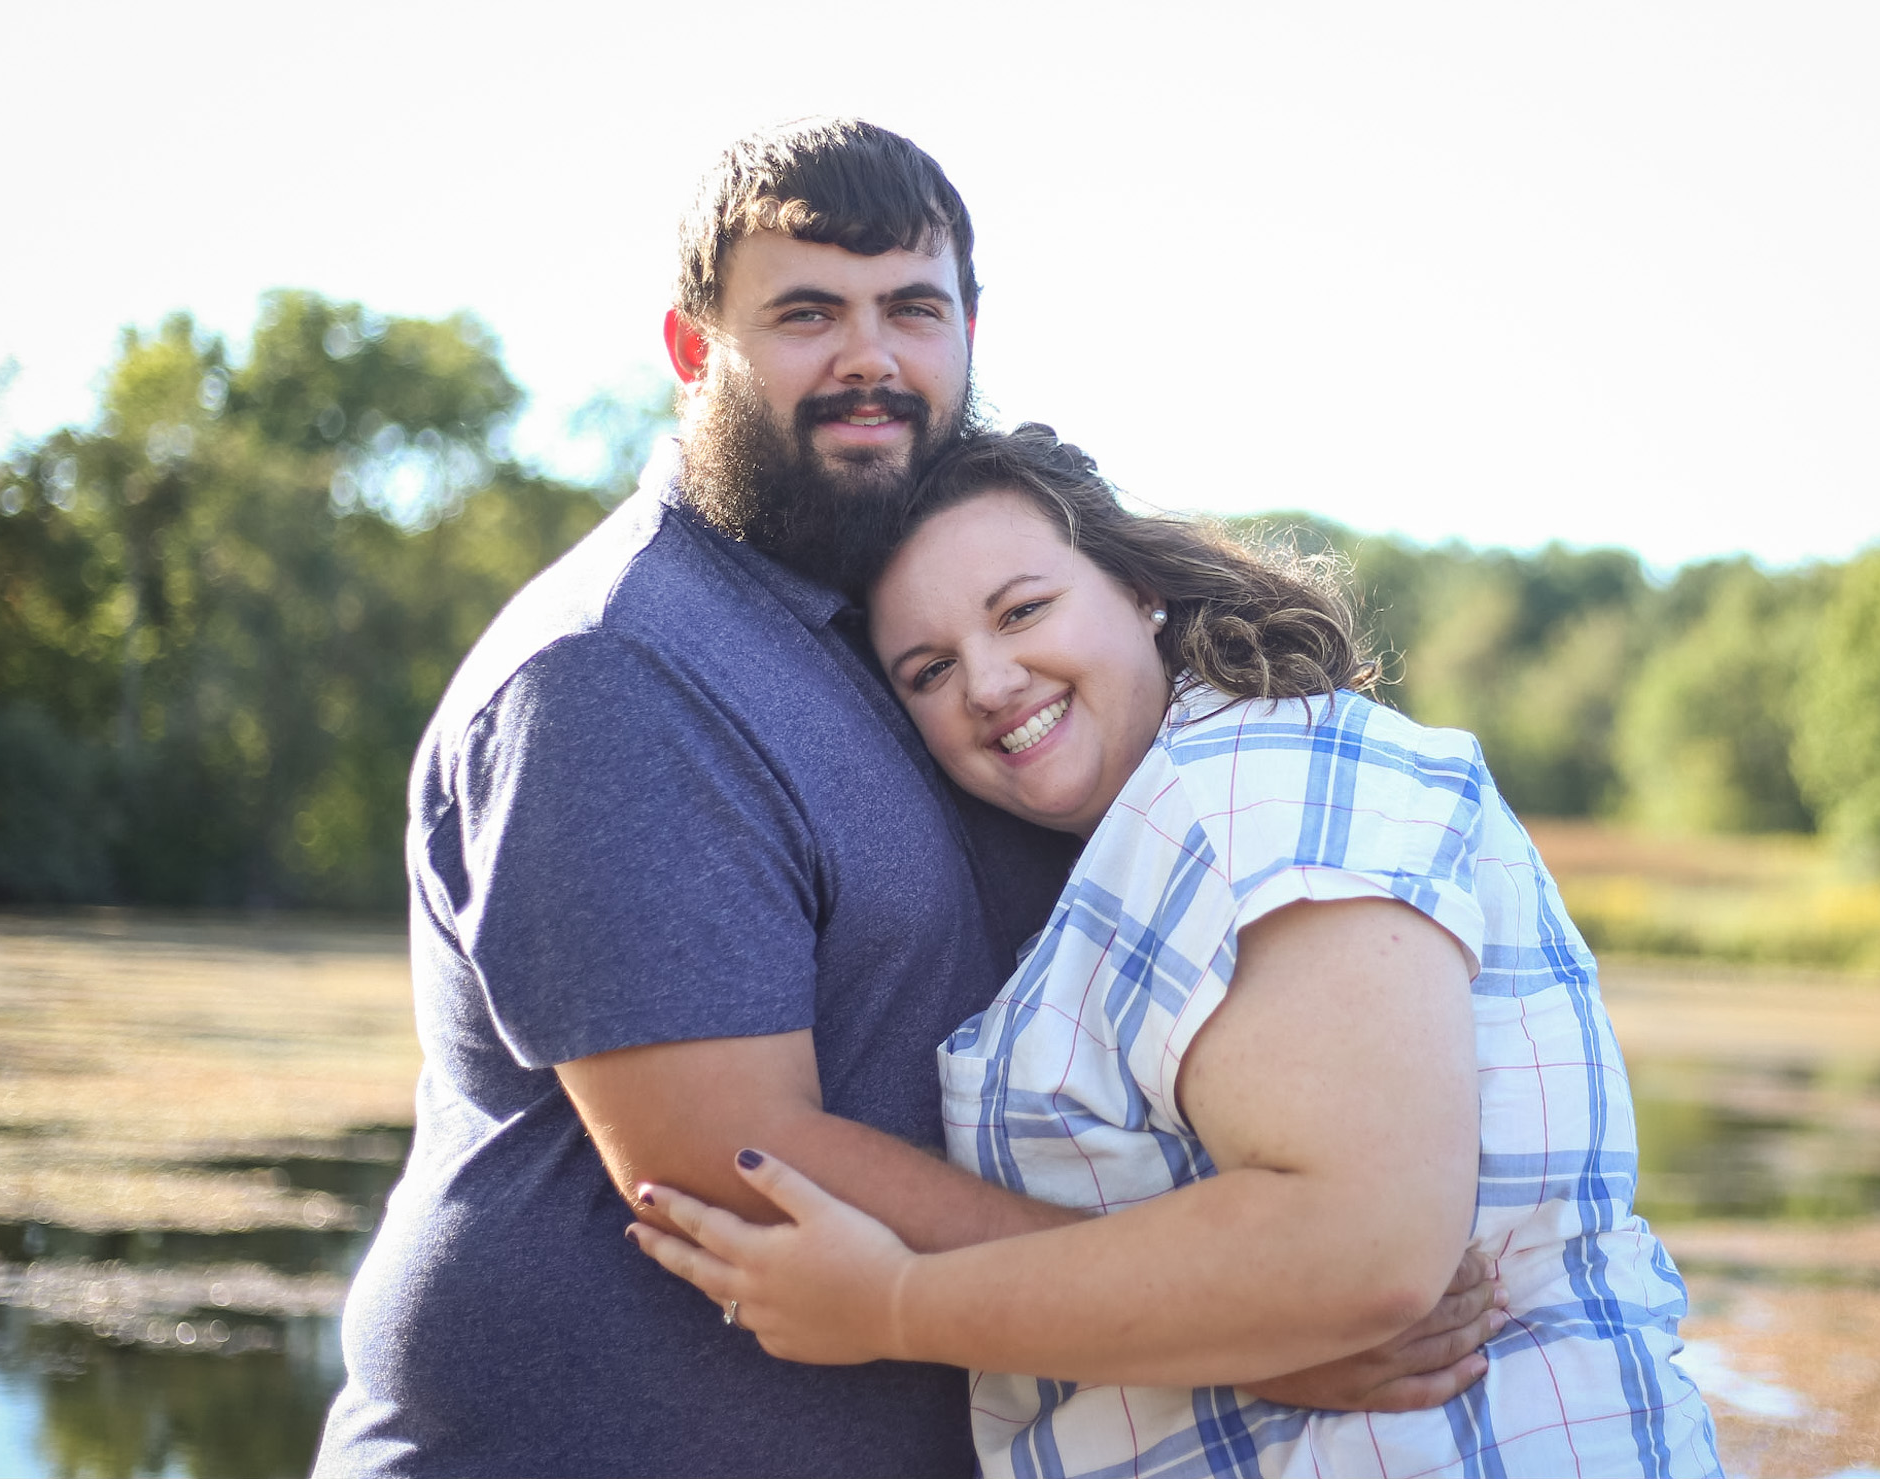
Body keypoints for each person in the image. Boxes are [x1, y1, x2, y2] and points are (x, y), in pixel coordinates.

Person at [314, 122, 1498, 1478]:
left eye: (912, 310)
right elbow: (730, 1158)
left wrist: (1264, 1280)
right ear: (694, 351)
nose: (868, 358)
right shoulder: (623, 667)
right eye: (807, 313)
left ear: (968, 334)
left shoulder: (916, 628)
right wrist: (1241, 1326)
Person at [628, 426, 1726, 1476]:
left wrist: (894, 1307)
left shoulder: (1244, 789)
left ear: (1139, 587)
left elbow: (1356, 1249)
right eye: (928, 670)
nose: (989, 682)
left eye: (1022, 610)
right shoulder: (1150, 835)